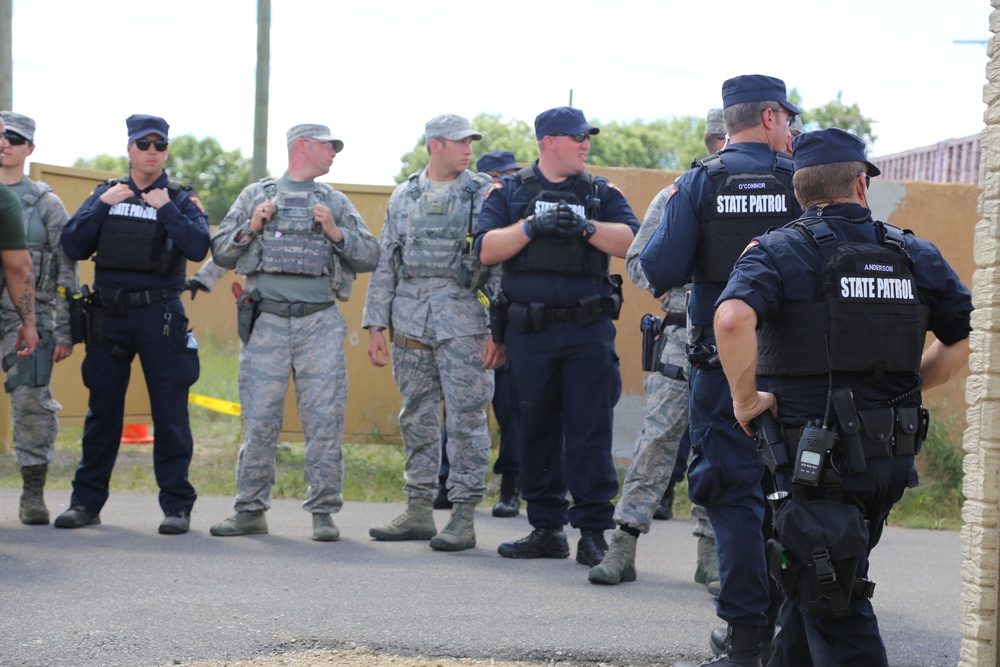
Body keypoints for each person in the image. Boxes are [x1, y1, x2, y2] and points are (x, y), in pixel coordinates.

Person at [713, 128, 972, 666]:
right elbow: (969, 333)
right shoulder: (913, 252)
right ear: (860, 184)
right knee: (813, 584)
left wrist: (743, 402)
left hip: (816, 465)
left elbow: (733, 317)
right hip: (889, 459)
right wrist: (910, 384)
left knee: (833, 596)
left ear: (799, 191)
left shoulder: (779, 249)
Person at [640, 75, 801, 666]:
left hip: (722, 366)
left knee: (731, 493)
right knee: (796, 490)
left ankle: (742, 635)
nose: (790, 128)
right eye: (786, 117)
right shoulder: (801, 180)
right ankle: (792, 625)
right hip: (796, 371)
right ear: (766, 118)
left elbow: (658, 267)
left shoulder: (698, 182)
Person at [477, 107, 639, 567]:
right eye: (577, 137)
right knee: (536, 428)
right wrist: (530, 227)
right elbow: (486, 248)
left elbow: (632, 240)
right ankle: (546, 528)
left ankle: (592, 533)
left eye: (588, 137)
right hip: (530, 333)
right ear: (549, 141)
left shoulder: (600, 192)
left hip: (587, 331)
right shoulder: (509, 191)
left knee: (590, 429)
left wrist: (588, 228)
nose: (586, 144)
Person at [208, 124, 379, 541]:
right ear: (302, 146)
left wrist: (335, 233)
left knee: (324, 421)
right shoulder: (255, 195)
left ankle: (323, 512)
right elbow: (220, 251)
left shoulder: (333, 201)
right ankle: (250, 509)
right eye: (328, 146)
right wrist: (252, 225)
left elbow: (370, 255)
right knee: (260, 419)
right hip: (266, 321)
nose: (334, 154)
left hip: (318, 323)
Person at [57, 114, 209, 534]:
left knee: (170, 413)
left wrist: (166, 212)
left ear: (166, 151)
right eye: (144, 145)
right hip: (108, 316)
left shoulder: (179, 199)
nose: (152, 152)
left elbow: (198, 246)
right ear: (130, 148)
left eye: (160, 145)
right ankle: (85, 503)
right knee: (102, 411)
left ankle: (177, 506)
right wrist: (100, 206)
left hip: (159, 316)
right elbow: (71, 244)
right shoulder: (106, 194)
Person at [363, 114, 501, 552]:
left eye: (471, 142)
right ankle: (419, 508)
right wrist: (375, 324)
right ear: (435, 145)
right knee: (416, 416)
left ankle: (462, 515)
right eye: (460, 142)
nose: (469, 149)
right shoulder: (405, 195)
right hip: (409, 318)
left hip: (463, 319)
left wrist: (500, 328)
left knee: (466, 418)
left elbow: (496, 265)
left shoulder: (484, 194)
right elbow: (387, 259)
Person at [587, 185, 690, 585]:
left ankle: (712, 554)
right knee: (657, 440)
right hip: (684, 333)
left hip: (752, 335)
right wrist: (670, 277)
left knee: (730, 448)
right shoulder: (680, 192)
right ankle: (623, 545)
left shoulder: (780, 186)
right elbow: (637, 262)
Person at [432, 149, 524, 517]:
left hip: (504, 327)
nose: (506, 180)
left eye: (512, 174)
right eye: (501, 174)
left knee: (511, 411)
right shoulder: (468, 213)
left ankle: (509, 489)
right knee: (458, 411)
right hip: (464, 327)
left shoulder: (513, 215)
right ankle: (446, 483)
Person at [0, 111, 78, 525]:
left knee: (32, 403)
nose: (6, 143)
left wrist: (64, 328)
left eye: (15, 138)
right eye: (1, 136)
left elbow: (67, 268)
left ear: (30, 148)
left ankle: (32, 493)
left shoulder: (45, 202)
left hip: (28, 316)